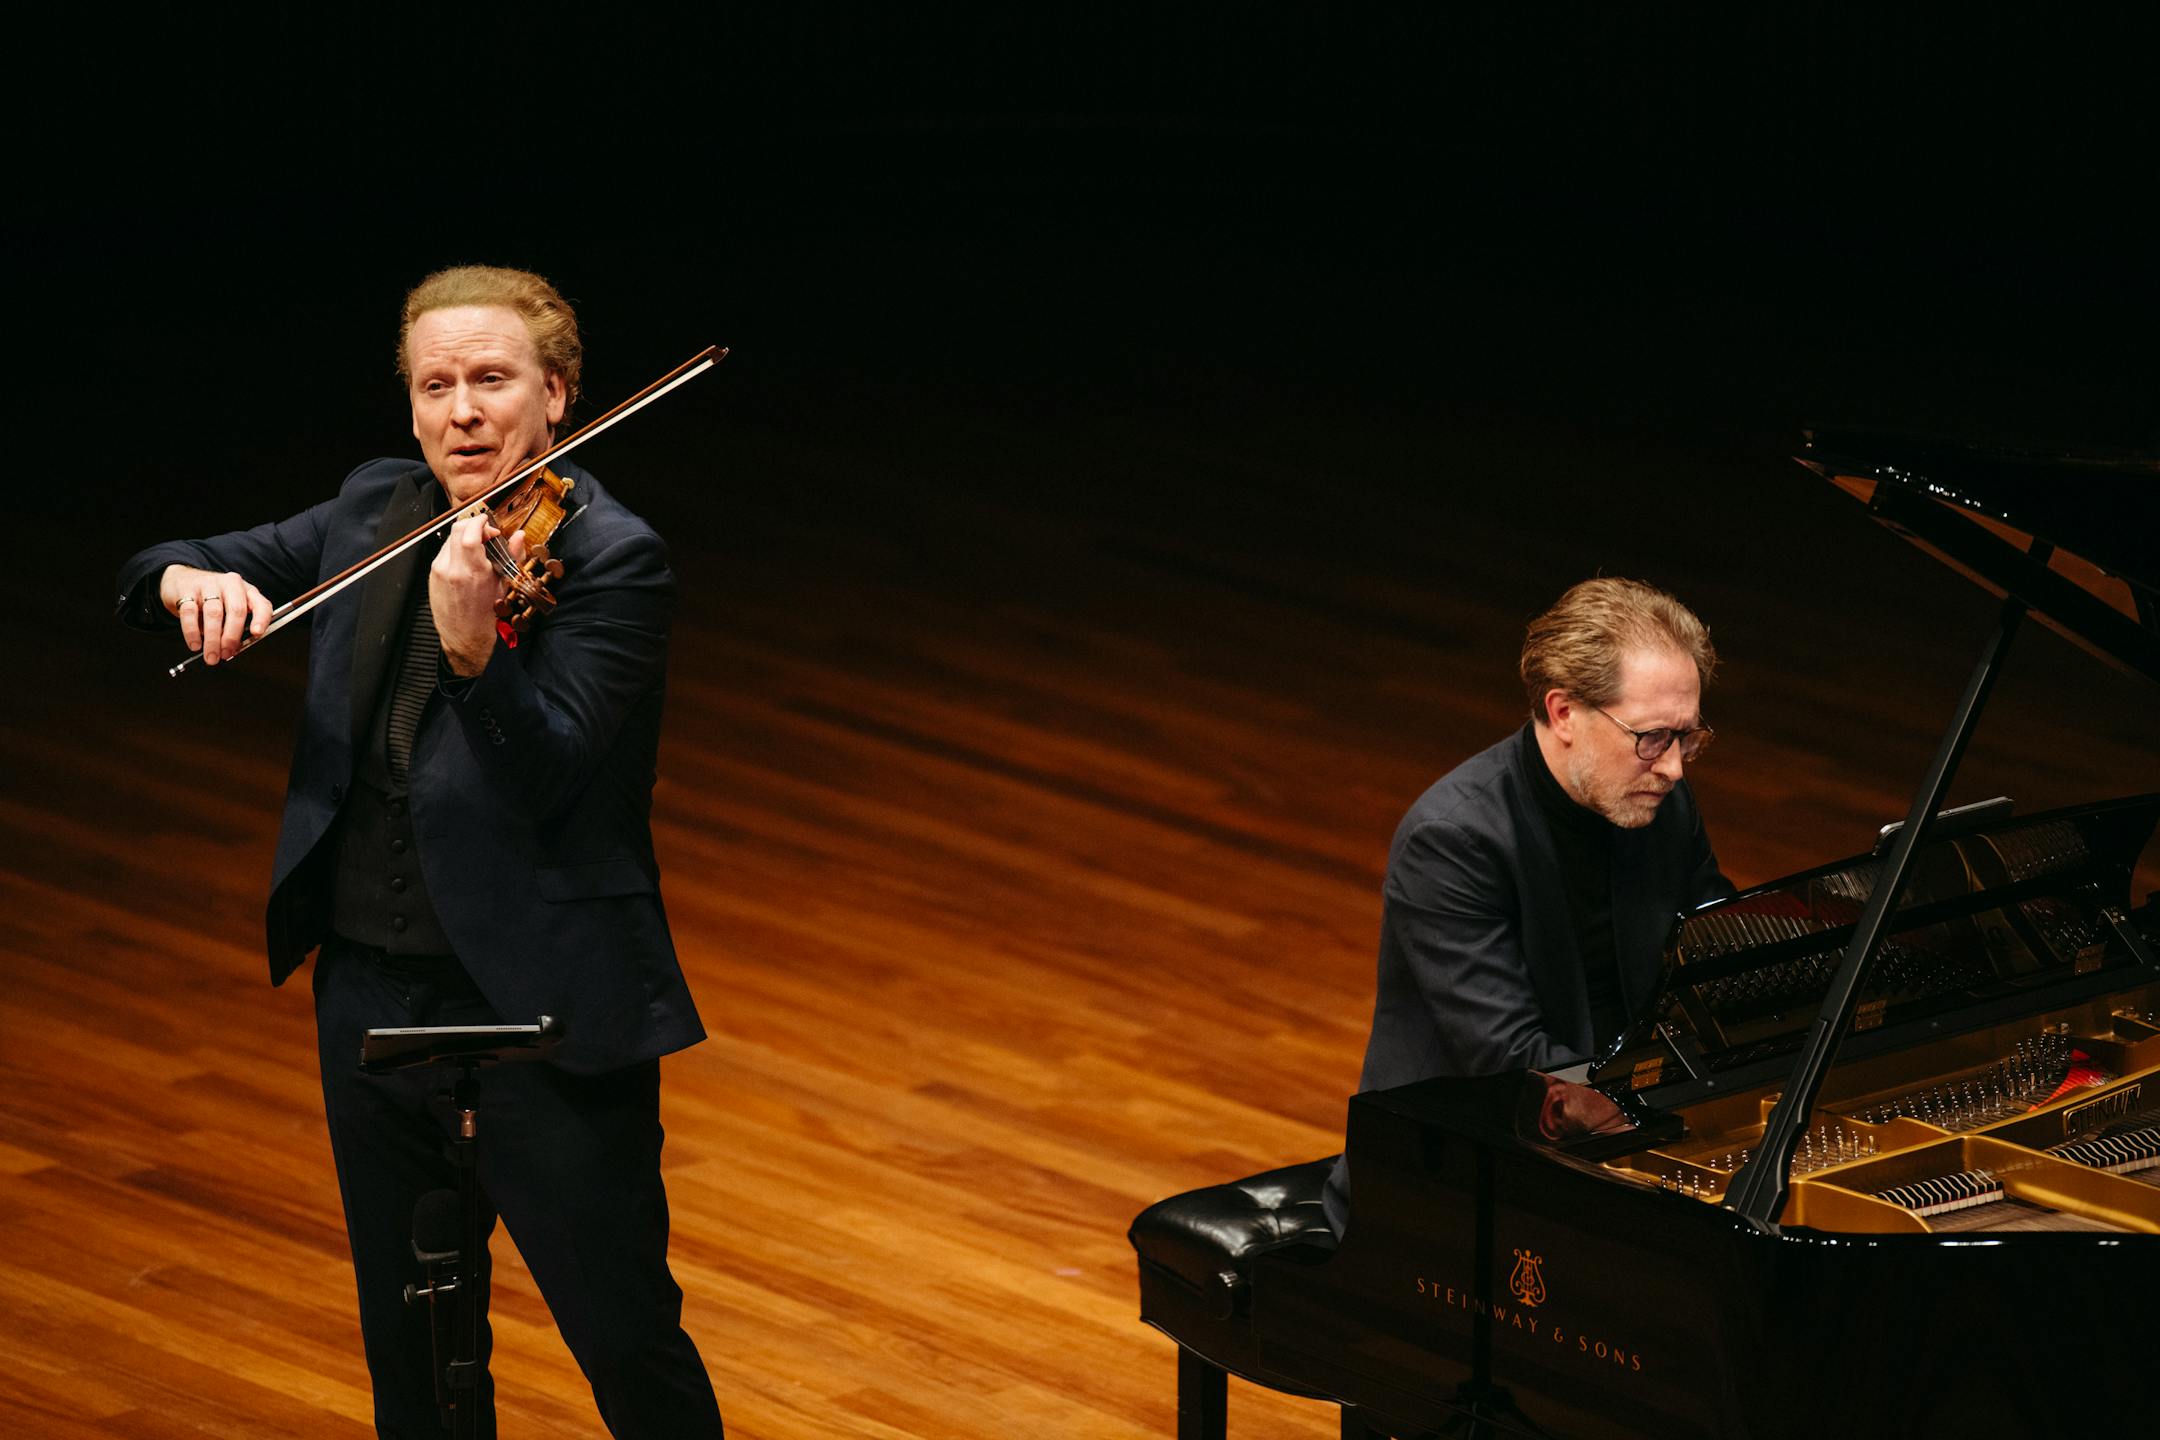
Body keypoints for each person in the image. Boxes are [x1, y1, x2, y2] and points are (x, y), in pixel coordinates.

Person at [116, 266, 726, 1438]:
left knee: (624, 1339)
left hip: (542, 1009)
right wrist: (188, 581)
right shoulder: (370, 512)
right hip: (371, 1000)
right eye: (435, 384)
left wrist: (476, 653)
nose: (462, 411)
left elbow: (550, 775)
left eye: (491, 380)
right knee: (413, 1340)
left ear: (557, 394)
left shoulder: (612, 560)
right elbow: (157, 566)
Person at [1322, 577, 1731, 1234]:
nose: (1675, 768)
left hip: (1614, 1140)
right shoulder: (1454, 840)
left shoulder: (1661, 805)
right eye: (1653, 737)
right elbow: (1511, 1056)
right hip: (1460, 1182)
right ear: (1565, 711)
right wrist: (1658, 1120)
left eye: (1688, 737)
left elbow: (1718, 951)